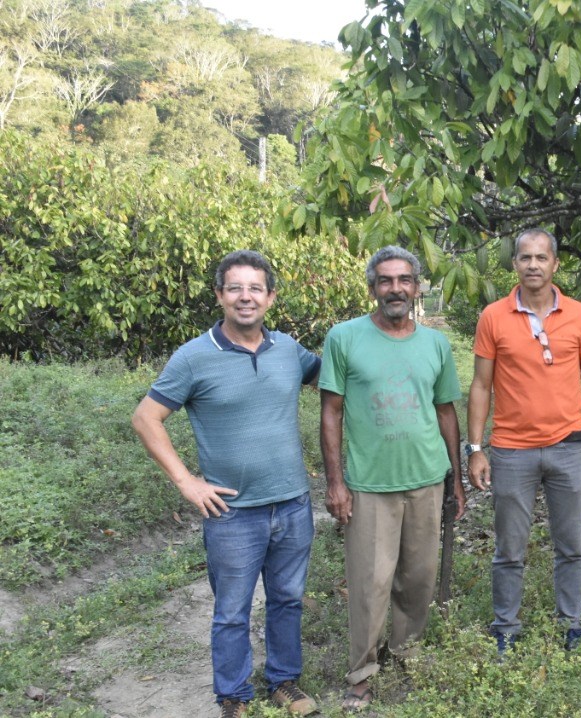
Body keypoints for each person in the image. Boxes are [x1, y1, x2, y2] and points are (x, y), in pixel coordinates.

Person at [132, 250, 320, 718]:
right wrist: (187, 482)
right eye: (234, 288)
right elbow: (146, 418)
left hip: (293, 504)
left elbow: (338, 379)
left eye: (255, 288)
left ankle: (284, 682)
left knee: (287, 599)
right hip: (233, 514)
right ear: (219, 295)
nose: (245, 297)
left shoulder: (289, 351)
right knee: (232, 611)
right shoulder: (195, 357)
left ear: (271, 297)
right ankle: (233, 696)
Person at [319, 245, 465, 712]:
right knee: (369, 582)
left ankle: (406, 652)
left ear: (417, 287)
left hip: (426, 478)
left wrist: (456, 480)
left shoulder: (435, 344)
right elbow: (331, 412)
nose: (395, 288)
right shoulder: (344, 338)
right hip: (369, 485)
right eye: (385, 280)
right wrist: (336, 483)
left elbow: (446, 412)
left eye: (404, 279)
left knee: (418, 578)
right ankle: (361, 672)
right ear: (372, 288)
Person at [466, 228, 581, 653]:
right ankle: (506, 629)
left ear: (555, 264)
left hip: (569, 447)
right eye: (525, 258)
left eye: (541, 257)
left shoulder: (580, 315)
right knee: (509, 548)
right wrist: (475, 449)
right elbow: (480, 386)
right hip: (512, 450)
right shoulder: (493, 316)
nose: (533, 265)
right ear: (514, 264)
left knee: (572, 546)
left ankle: (571, 624)